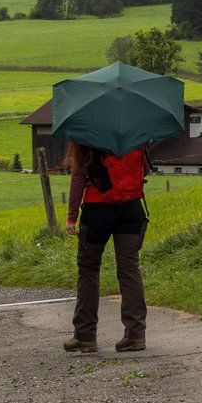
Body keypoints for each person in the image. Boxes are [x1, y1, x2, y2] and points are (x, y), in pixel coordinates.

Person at [63, 140, 150, 353]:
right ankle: (135, 334)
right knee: (129, 270)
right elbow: (145, 169)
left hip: (96, 211)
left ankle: (85, 336)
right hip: (131, 209)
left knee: (89, 271)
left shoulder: (87, 136)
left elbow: (77, 179)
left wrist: (71, 217)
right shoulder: (134, 134)